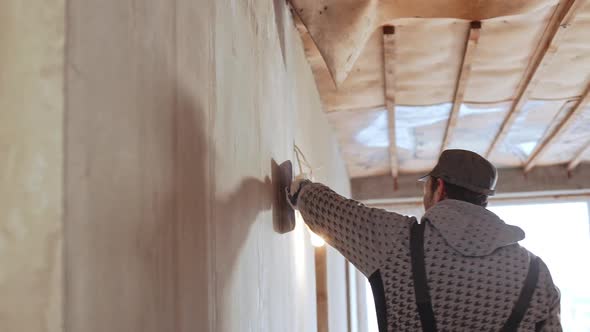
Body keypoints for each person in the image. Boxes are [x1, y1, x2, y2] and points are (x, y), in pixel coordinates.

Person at [287, 149, 561, 331]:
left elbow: (330, 211)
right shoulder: (536, 273)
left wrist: (301, 190)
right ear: (484, 199)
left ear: (438, 188)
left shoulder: (397, 241)